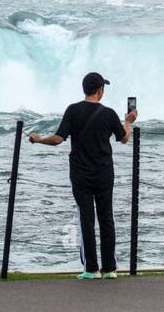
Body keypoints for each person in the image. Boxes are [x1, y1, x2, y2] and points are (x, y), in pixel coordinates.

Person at [28, 71, 137, 279]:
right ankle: (110, 269)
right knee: (107, 218)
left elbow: (58, 139)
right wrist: (128, 121)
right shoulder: (109, 114)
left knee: (86, 219)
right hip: (104, 172)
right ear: (100, 91)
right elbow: (124, 139)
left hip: (80, 173)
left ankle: (91, 269)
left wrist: (39, 139)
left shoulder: (73, 110)